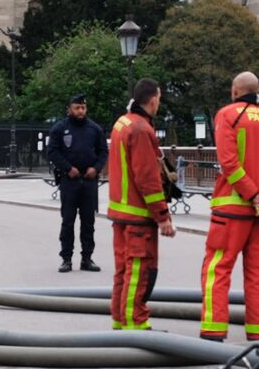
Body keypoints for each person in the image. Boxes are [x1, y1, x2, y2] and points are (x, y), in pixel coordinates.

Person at [200, 72, 259, 342]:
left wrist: (253, 193)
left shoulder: (229, 115)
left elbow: (228, 162)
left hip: (232, 209)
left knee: (218, 268)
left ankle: (213, 331)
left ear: (235, 90)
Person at [107, 79, 176, 330]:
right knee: (138, 271)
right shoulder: (141, 130)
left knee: (123, 271)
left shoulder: (122, 123)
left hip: (121, 212)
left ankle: (119, 319)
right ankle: (135, 323)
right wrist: (163, 216)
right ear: (154, 99)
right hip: (138, 216)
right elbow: (148, 178)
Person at [46, 94, 109, 272]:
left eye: (83, 108)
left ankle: (87, 258)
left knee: (88, 222)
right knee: (68, 222)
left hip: (89, 181)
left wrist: (95, 168)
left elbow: (103, 151)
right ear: (70, 109)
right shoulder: (60, 128)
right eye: (77, 108)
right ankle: (66, 258)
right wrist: (67, 168)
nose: (80, 111)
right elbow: (52, 152)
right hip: (69, 181)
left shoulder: (94, 129)